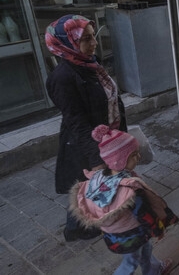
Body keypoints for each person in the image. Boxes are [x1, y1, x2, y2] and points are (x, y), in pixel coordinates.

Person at [45, 14, 127, 241]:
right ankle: (75, 229)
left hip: (104, 138)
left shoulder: (89, 63)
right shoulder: (63, 77)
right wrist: (96, 159)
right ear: (66, 43)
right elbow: (76, 122)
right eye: (86, 39)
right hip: (85, 145)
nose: (94, 44)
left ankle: (92, 222)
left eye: (93, 37)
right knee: (85, 188)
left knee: (91, 186)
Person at [70, 125, 176, 275]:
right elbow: (143, 213)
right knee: (130, 262)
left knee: (145, 250)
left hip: (115, 235)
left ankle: (153, 269)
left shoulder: (99, 177)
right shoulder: (129, 188)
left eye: (137, 153)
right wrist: (158, 229)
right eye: (133, 155)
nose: (138, 157)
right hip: (130, 234)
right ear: (118, 161)